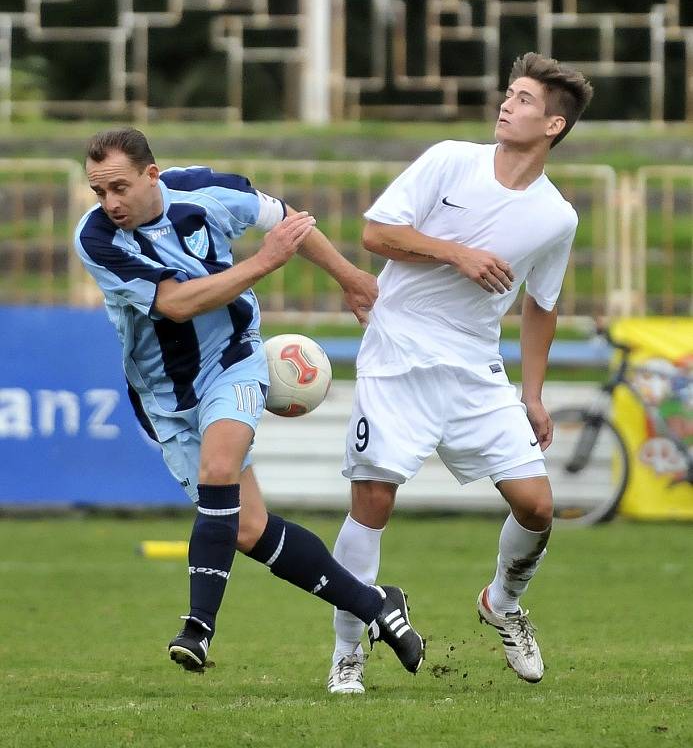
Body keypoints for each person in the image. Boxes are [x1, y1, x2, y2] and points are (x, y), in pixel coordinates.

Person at [73, 127, 425, 678]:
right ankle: (377, 605)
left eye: (120, 187)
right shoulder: (96, 240)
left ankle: (198, 629)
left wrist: (351, 278)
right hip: (165, 396)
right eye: (100, 192)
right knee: (245, 527)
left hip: (234, 359)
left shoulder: (206, 193)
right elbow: (177, 304)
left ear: (151, 174)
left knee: (220, 470)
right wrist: (264, 263)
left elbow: (290, 222)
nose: (110, 203)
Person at [327, 52, 594, 694]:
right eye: (509, 93)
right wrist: (458, 254)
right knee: (373, 500)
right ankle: (347, 655)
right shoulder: (450, 158)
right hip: (396, 355)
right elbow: (375, 233)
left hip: (476, 370)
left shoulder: (557, 216)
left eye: (525, 99)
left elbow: (542, 306)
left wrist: (531, 395)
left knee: (537, 506)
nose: (507, 104)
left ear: (554, 126)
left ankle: (502, 603)